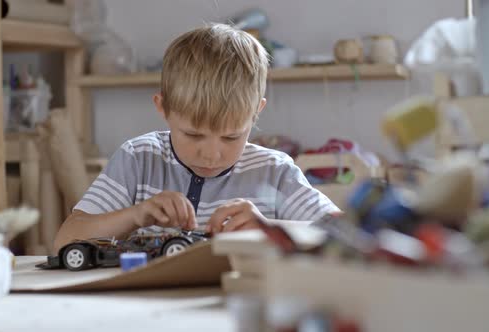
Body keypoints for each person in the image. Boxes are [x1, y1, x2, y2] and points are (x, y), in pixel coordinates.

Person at [54, 23, 340, 252]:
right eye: (193, 134)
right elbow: (64, 242)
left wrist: (270, 228)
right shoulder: (138, 159)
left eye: (231, 137)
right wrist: (136, 215)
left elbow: (347, 237)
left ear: (256, 113)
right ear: (163, 108)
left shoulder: (275, 172)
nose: (211, 154)